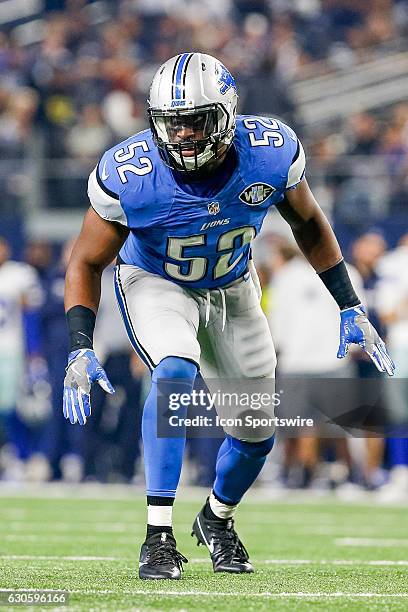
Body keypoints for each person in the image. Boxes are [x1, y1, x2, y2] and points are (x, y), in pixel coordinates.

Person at [62, 52, 394, 580]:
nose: (185, 135)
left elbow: (309, 223)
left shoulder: (269, 152)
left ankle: (217, 518)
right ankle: (158, 536)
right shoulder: (132, 174)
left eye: (196, 121)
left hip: (234, 287)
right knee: (174, 370)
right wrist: (81, 343)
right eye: (173, 123)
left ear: (227, 114)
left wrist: (349, 303)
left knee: (257, 431)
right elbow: (85, 259)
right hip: (156, 281)